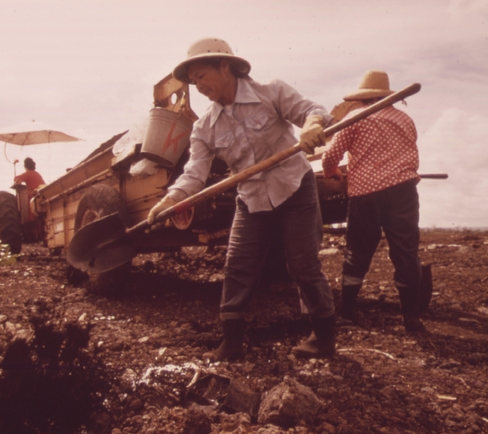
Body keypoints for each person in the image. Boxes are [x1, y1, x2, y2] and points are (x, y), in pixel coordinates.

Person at [148, 38, 336, 361]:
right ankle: (231, 343)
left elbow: (313, 111)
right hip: (251, 201)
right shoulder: (204, 128)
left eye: (202, 76)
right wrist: (170, 200)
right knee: (237, 266)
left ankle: (324, 336)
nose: (199, 86)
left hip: (294, 188)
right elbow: (195, 174)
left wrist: (314, 125)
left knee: (303, 266)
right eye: (194, 82)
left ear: (225, 66)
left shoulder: (270, 93)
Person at [322, 70, 423, 331]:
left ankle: (347, 309)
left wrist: (333, 174)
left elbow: (330, 155)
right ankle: (412, 317)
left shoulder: (354, 117)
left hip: (366, 193)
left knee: (358, 249)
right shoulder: (405, 119)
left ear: (363, 98)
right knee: (406, 252)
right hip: (404, 190)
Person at [12, 157, 46, 221]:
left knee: (32, 216)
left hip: (34, 198)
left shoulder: (28, 173)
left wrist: (16, 179)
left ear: (25, 166)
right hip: (41, 197)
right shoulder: (37, 174)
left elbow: (17, 180)